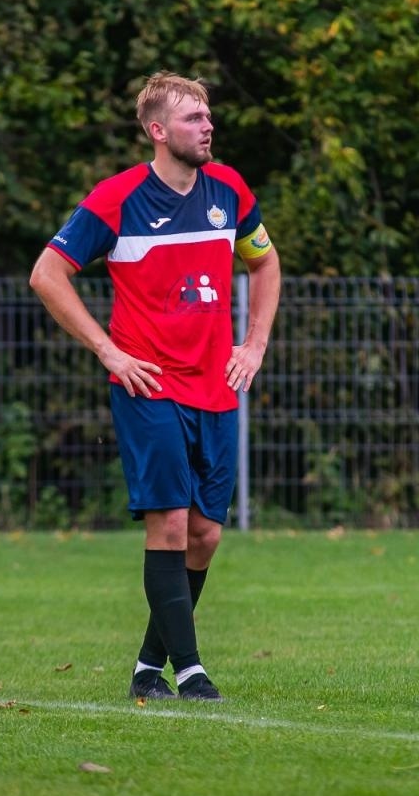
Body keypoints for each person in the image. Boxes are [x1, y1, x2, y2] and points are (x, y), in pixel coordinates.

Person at [29, 71, 281, 702]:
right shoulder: (117, 198)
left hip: (215, 387)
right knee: (168, 523)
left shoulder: (230, 191)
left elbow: (265, 261)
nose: (208, 126)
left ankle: (149, 667)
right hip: (150, 386)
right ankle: (191, 670)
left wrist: (253, 345)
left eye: (208, 115)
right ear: (158, 131)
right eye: (194, 118)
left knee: (205, 534)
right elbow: (47, 274)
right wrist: (108, 351)